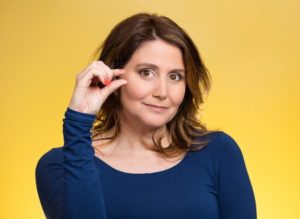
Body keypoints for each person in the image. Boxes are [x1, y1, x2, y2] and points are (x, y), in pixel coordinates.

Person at [35, 13, 256, 219]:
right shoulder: (60, 165)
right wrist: (78, 121)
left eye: (176, 76)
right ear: (111, 75)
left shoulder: (218, 152)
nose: (162, 92)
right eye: (146, 73)